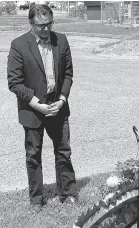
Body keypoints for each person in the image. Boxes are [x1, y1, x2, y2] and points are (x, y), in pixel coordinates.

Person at [7, 4, 77, 213]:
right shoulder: (18, 45)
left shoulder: (61, 40)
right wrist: (37, 104)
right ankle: (37, 200)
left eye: (49, 24)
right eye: (41, 26)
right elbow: (14, 82)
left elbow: (68, 73)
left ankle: (68, 193)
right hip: (33, 109)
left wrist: (62, 99)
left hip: (58, 107)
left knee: (64, 152)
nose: (46, 30)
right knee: (33, 155)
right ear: (31, 23)